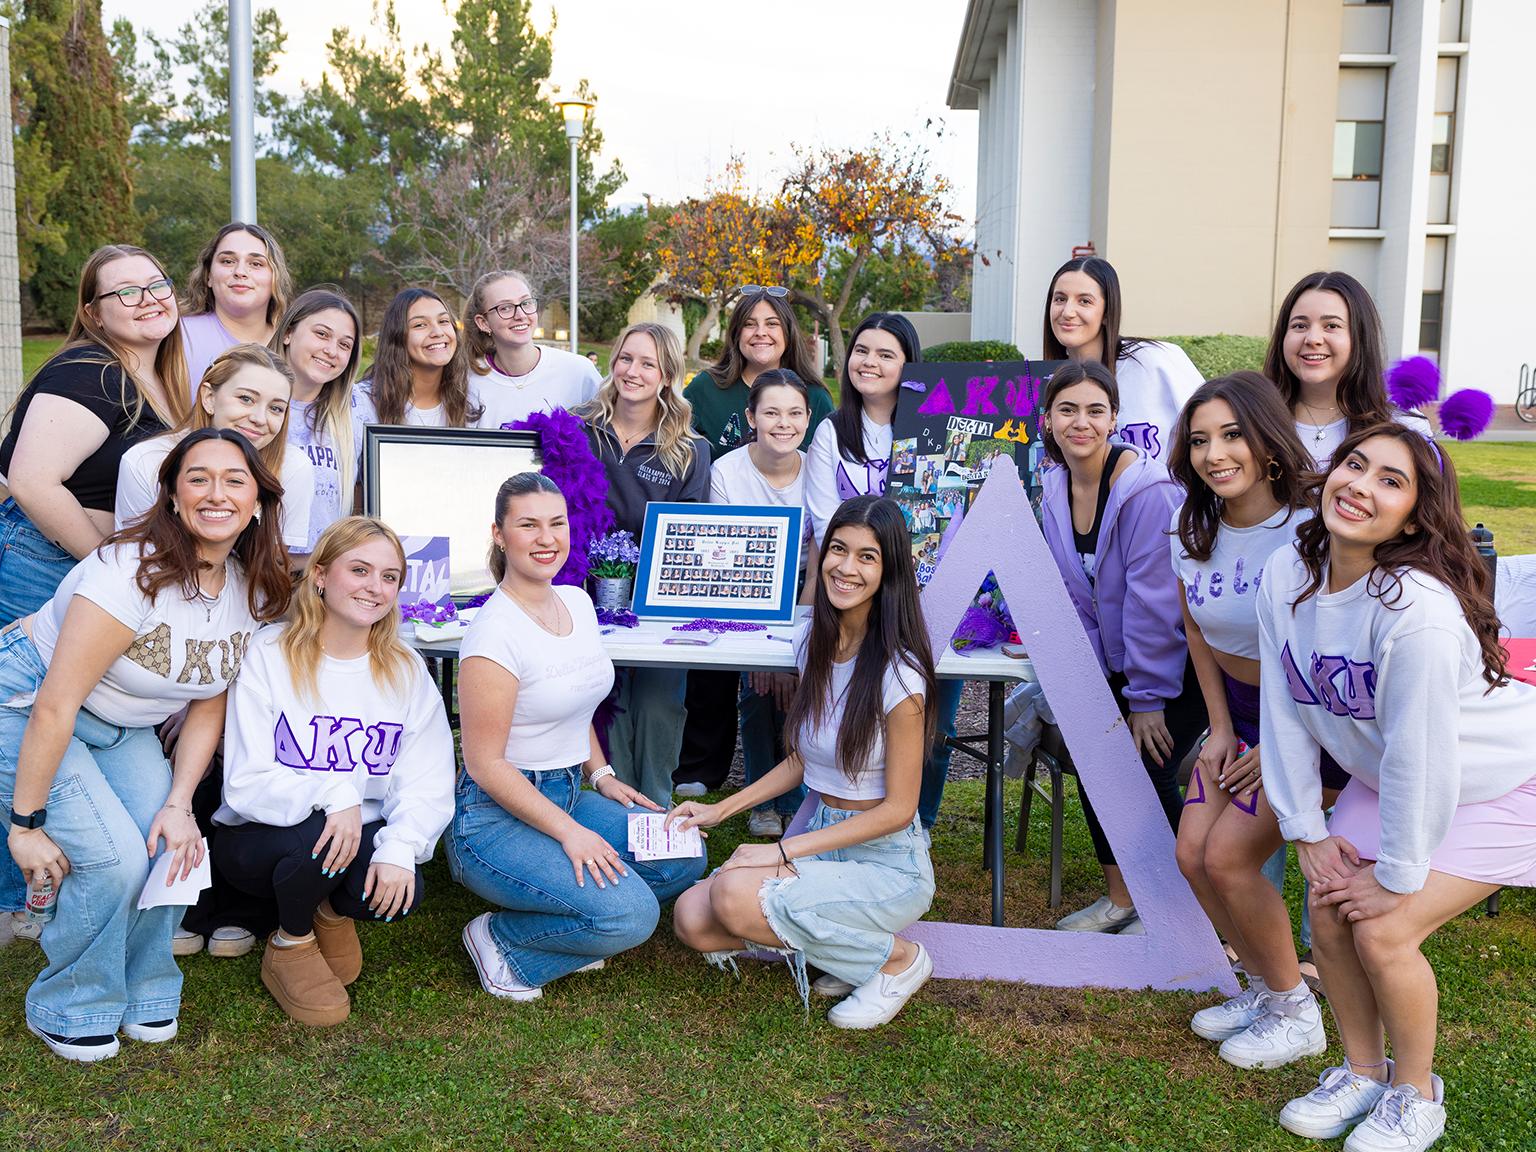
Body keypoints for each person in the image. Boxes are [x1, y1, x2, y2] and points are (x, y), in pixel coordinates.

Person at [1259, 423, 1536, 1152]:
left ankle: (1416, 1094)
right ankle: (1361, 1072)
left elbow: (1426, 757)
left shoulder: (1418, 614)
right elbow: (1284, 704)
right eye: (1355, 464)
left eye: (1390, 480)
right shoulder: (1287, 573)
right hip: (1394, 775)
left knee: (1383, 927)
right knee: (1327, 903)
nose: (1359, 486)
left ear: (1413, 516)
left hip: (1506, 776)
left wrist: (1398, 876)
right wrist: (1304, 829)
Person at [0, 428, 289, 1061]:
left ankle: (146, 990)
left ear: (258, 501)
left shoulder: (249, 585)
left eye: (235, 480)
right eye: (198, 478)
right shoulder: (127, 570)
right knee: (113, 862)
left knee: (171, 848)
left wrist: (180, 803)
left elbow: (210, 698)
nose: (217, 494)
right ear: (173, 497)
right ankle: (72, 1003)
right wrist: (25, 825)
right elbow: (55, 702)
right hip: (25, 704)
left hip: (120, 725)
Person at [669, 494, 938, 1029]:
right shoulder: (813, 641)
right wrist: (721, 811)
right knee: (693, 920)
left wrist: (781, 851)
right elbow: (803, 759)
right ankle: (842, 951)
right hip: (824, 835)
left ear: (889, 573)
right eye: (839, 549)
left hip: (886, 859)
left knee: (733, 894)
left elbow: (899, 811)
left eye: (868, 557)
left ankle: (898, 961)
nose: (846, 567)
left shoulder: (900, 675)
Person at [448, 473, 705, 999]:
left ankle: (576, 916)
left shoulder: (577, 601)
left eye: (556, 523)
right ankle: (502, 941)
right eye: (528, 525)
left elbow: (575, 699)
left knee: (683, 852)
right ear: (499, 534)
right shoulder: (492, 634)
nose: (546, 539)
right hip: (493, 819)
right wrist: (569, 833)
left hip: (568, 791)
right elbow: (485, 765)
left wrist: (603, 774)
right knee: (632, 916)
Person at [0, 245, 191, 934]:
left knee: (68, 719)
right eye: (126, 292)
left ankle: (52, 884)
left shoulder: (156, 377)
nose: (148, 298)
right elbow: (31, 481)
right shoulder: (91, 370)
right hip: (46, 560)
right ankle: (16, 898)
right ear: (92, 313)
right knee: (27, 716)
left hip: (85, 565)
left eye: (157, 284)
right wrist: (108, 563)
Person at [212, 517, 454, 1027]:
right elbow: (245, 780)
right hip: (263, 836)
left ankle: (330, 912)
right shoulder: (270, 653)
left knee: (397, 888)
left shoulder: (406, 669)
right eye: (360, 570)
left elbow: (426, 777)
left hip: (354, 832)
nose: (375, 587)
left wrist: (400, 845)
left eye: (389, 577)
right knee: (314, 839)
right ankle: (291, 939)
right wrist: (334, 791)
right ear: (320, 575)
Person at [1168, 372, 1340, 1068]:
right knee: (1190, 855)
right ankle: (1265, 987)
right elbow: (1197, 631)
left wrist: (1273, 744)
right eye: (1201, 439)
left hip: (1304, 722)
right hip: (1238, 716)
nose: (1215, 453)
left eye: (1232, 434)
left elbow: (1325, 647)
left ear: (1269, 443)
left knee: (1231, 859)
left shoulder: (1309, 532)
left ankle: (1298, 1011)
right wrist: (1218, 727)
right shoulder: (1193, 525)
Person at [1038, 359, 1208, 933]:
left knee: (1148, 763)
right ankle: (1124, 898)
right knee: (1093, 757)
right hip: (1113, 661)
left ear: (1114, 418)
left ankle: (1182, 907)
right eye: (1067, 410)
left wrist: (1146, 698)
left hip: (1176, 668)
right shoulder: (1055, 485)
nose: (1080, 422)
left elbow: (1154, 607)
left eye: (1094, 410)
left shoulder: (1149, 492)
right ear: (1048, 419)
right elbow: (1073, 592)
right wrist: (1090, 682)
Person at [803, 313, 962, 837]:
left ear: (907, 365)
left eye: (885, 354)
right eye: (862, 351)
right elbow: (827, 523)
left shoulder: (936, 422)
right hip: (856, 590)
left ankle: (919, 824)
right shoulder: (831, 430)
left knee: (928, 719)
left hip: (928, 591)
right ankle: (833, 815)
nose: (869, 362)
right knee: (846, 710)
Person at [578, 323, 710, 805]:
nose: (633, 371)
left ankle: (655, 805)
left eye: (648, 363)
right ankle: (611, 802)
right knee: (602, 697)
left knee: (657, 702)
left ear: (668, 376)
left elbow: (689, 538)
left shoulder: (689, 449)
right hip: (581, 594)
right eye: (626, 358)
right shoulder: (577, 429)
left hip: (657, 600)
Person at [709, 369, 812, 838]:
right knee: (757, 688)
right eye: (771, 412)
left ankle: (800, 797)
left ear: (809, 418)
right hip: (744, 591)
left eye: (794, 413)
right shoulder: (726, 471)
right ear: (751, 417)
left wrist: (795, 642)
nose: (783, 423)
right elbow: (723, 561)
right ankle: (763, 801)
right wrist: (765, 651)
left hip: (814, 592)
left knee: (806, 690)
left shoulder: (819, 469)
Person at [116, 343, 313, 556]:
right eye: (246, 399)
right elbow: (134, 556)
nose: (259, 418)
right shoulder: (145, 460)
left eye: (275, 408)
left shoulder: (293, 466)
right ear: (209, 398)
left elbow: (275, 562)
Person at [1263, 271, 1433, 469]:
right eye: (1300, 325)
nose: (1312, 339)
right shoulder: (1253, 417)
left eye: (1331, 326)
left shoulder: (1403, 424)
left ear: (1360, 337)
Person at [1042, 256, 1203, 462]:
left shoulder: (1154, 360)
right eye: (1060, 299)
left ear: (1107, 313)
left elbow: (1212, 424)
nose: (1068, 312)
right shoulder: (1047, 382)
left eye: (1084, 301)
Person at [683, 285, 833, 461]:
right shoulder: (705, 389)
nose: (760, 333)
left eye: (772, 324)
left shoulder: (815, 398)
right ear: (736, 334)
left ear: (788, 332)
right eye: (749, 324)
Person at [269, 289, 367, 553]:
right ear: (288, 333)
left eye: (345, 345)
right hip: (252, 570)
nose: (331, 350)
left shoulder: (357, 411)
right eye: (321, 334)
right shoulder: (249, 398)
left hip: (319, 576)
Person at [462, 270, 602, 429]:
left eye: (526, 303)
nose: (520, 315)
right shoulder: (466, 381)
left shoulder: (579, 371)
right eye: (505, 308)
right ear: (483, 323)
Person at [179, 223, 292, 396]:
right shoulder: (178, 335)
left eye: (255, 263)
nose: (240, 272)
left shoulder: (293, 344)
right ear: (208, 275)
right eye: (228, 261)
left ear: (275, 278)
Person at [356, 288, 482, 428]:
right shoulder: (363, 403)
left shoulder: (470, 401)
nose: (438, 332)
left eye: (443, 321)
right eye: (420, 325)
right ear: (397, 337)